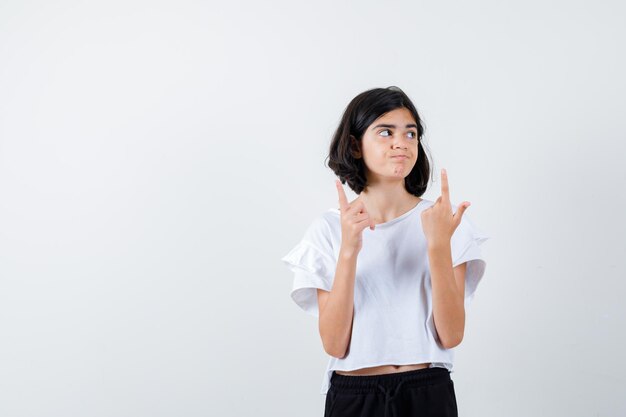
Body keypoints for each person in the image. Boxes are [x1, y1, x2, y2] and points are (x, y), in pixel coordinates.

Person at [281, 86, 490, 417]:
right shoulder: (329, 229)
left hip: (428, 392)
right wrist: (349, 249)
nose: (401, 143)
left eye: (411, 133)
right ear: (355, 145)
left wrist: (437, 246)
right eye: (385, 132)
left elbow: (451, 335)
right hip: (355, 396)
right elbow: (334, 344)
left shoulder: (444, 223)